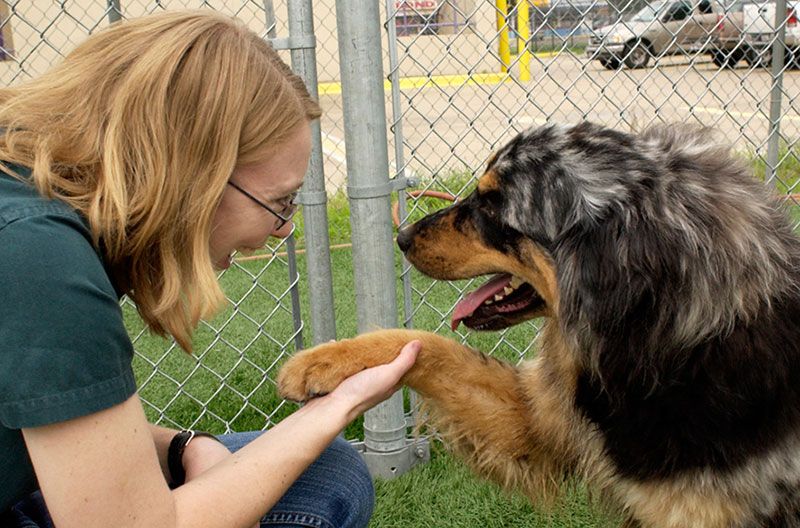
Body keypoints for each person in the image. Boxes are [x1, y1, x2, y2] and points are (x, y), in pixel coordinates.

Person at [0, 10, 420, 528]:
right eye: (280, 202)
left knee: (327, 474)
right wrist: (334, 409)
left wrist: (182, 448)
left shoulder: (29, 198)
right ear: (192, 175)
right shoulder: (39, 258)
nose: (284, 229)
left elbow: (54, 431)